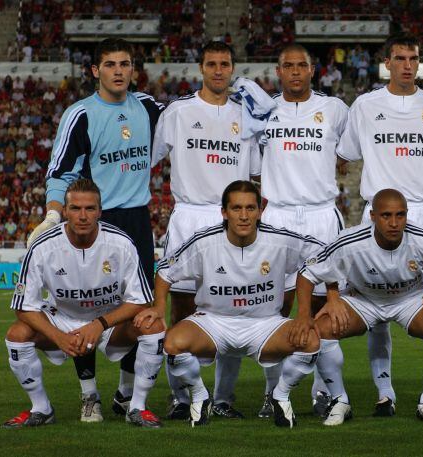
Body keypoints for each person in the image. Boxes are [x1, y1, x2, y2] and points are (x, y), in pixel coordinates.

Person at [29, 38, 165, 421]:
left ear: (133, 69)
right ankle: (89, 394)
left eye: (125, 63)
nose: (118, 71)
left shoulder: (149, 108)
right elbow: (60, 171)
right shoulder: (81, 115)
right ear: (95, 71)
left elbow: (193, 111)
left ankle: (125, 392)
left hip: (137, 220)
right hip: (95, 221)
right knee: (85, 305)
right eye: (110, 64)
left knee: (138, 311)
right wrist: (54, 216)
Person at [338, 33, 423, 416]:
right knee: (376, 305)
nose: (408, 65)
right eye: (400, 58)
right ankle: (384, 394)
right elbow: (348, 153)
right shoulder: (365, 105)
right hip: (378, 213)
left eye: (414, 57)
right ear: (386, 63)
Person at [296, 189, 423, 427]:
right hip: (364, 299)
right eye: (386, 216)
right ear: (372, 216)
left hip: (409, 298)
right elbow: (307, 273)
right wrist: (307, 313)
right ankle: (339, 400)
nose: (394, 223)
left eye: (400, 215)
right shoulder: (351, 240)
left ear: (407, 215)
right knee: (320, 330)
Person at [152, 181, 324, 428]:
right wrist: (159, 308)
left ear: (260, 211)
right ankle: (200, 396)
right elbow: (165, 271)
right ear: (224, 212)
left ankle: (281, 395)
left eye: (250, 208)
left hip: (265, 324)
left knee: (311, 342)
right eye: (236, 208)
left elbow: (325, 258)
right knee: (172, 344)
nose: (244, 216)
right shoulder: (204, 242)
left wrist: (316, 307)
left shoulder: (281, 240)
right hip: (213, 322)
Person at [150, 41, 262, 421]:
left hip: (233, 221)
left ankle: (224, 397)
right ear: (201, 67)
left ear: (233, 68)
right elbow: (149, 160)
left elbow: (257, 171)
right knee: (180, 311)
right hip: (188, 218)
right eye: (211, 64)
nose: (218, 70)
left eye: (225, 64)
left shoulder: (247, 115)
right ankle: (182, 397)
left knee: (235, 308)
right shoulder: (178, 112)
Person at [2, 179, 165, 428]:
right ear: (65, 211)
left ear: (100, 211)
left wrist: (99, 324)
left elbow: (142, 300)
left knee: (153, 326)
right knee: (17, 334)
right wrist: (58, 336)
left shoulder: (120, 243)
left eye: (90, 208)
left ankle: (137, 407)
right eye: (76, 208)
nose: (83, 216)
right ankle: (41, 408)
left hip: (109, 320)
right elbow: (23, 306)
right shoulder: (43, 246)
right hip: (63, 318)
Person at [251, 43, 349, 417]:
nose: (294, 72)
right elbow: (256, 166)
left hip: (322, 215)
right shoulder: (263, 110)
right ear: (278, 71)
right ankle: (271, 392)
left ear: (313, 70)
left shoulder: (335, 109)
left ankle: (323, 392)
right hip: (276, 215)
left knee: (325, 309)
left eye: (301, 66)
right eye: (287, 66)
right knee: (273, 308)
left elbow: (349, 152)